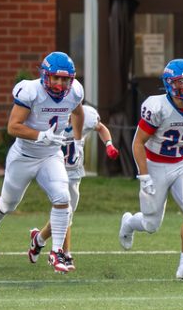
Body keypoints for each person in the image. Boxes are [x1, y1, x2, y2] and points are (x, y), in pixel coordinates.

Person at [0, 52, 85, 274]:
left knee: (62, 197)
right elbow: (13, 126)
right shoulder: (31, 91)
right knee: (8, 204)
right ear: (45, 76)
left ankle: (56, 251)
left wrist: (77, 141)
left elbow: (78, 113)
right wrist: (40, 135)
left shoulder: (75, 91)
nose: (59, 83)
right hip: (24, 155)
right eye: (55, 78)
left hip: (50, 155)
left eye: (64, 79)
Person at [120, 59, 183, 280]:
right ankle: (129, 222)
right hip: (154, 164)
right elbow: (138, 143)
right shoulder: (157, 107)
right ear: (169, 84)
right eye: (182, 82)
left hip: (181, 163)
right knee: (151, 224)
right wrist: (144, 174)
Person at [30, 103, 117, 267]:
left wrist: (109, 144)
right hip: (55, 172)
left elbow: (101, 128)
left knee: (66, 215)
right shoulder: (48, 119)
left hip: (74, 174)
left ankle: (39, 239)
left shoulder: (86, 116)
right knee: (65, 211)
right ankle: (64, 254)